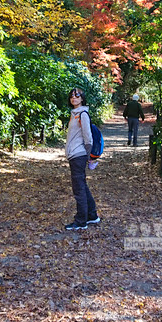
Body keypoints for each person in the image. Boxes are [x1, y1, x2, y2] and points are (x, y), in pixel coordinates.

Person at [64, 87, 100, 230]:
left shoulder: (82, 114)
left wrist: (88, 156)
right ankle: (92, 216)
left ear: (82, 98)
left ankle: (81, 221)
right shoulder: (75, 114)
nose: (74, 98)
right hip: (75, 154)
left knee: (78, 189)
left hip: (78, 155)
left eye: (77, 96)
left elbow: (88, 137)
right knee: (82, 186)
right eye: (72, 96)